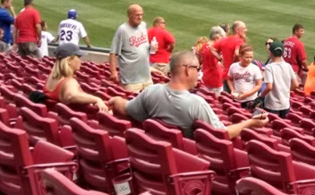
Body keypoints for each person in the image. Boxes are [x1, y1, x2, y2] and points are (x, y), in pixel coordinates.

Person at [109, 50, 269, 139]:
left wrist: (114, 99)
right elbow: (223, 135)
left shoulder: (151, 92)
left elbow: (125, 108)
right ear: (187, 69)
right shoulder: (196, 103)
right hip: (184, 165)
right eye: (197, 69)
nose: (198, 73)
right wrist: (249, 123)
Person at [45, 43, 107, 111]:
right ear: (69, 61)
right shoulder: (69, 82)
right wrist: (97, 99)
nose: (80, 61)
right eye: (78, 57)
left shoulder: (51, 77)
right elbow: (71, 96)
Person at [110, 4, 153, 92]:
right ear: (130, 15)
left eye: (141, 15)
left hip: (146, 77)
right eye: (137, 15)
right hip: (131, 81)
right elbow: (113, 52)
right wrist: (113, 71)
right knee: (133, 104)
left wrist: (151, 47)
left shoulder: (143, 26)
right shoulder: (122, 30)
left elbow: (143, 47)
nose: (140, 17)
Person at [257, 42, 298, 118]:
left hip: (272, 104)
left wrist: (260, 96)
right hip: (285, 104)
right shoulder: (288, 66)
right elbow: (296, 84)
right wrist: (286, 90)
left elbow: (269, 87)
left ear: (270, 53)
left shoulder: (269, 67)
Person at [226, 46, 265, 110]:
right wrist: (232, 89)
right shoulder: (233, 66)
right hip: (237, 99)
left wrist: (246, 94)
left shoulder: (255, 68)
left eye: (251, 57)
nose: (249, 59)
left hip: (251, 100)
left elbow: (259, 85)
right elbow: (229, 79)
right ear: (240, 57)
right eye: (247, 57)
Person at [196, 26, 227, 95]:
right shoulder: (212, 51)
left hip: (206, 78)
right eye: (222, 38)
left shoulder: (204, 46)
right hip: (215, 82)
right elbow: (214, 66)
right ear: (217, 38)